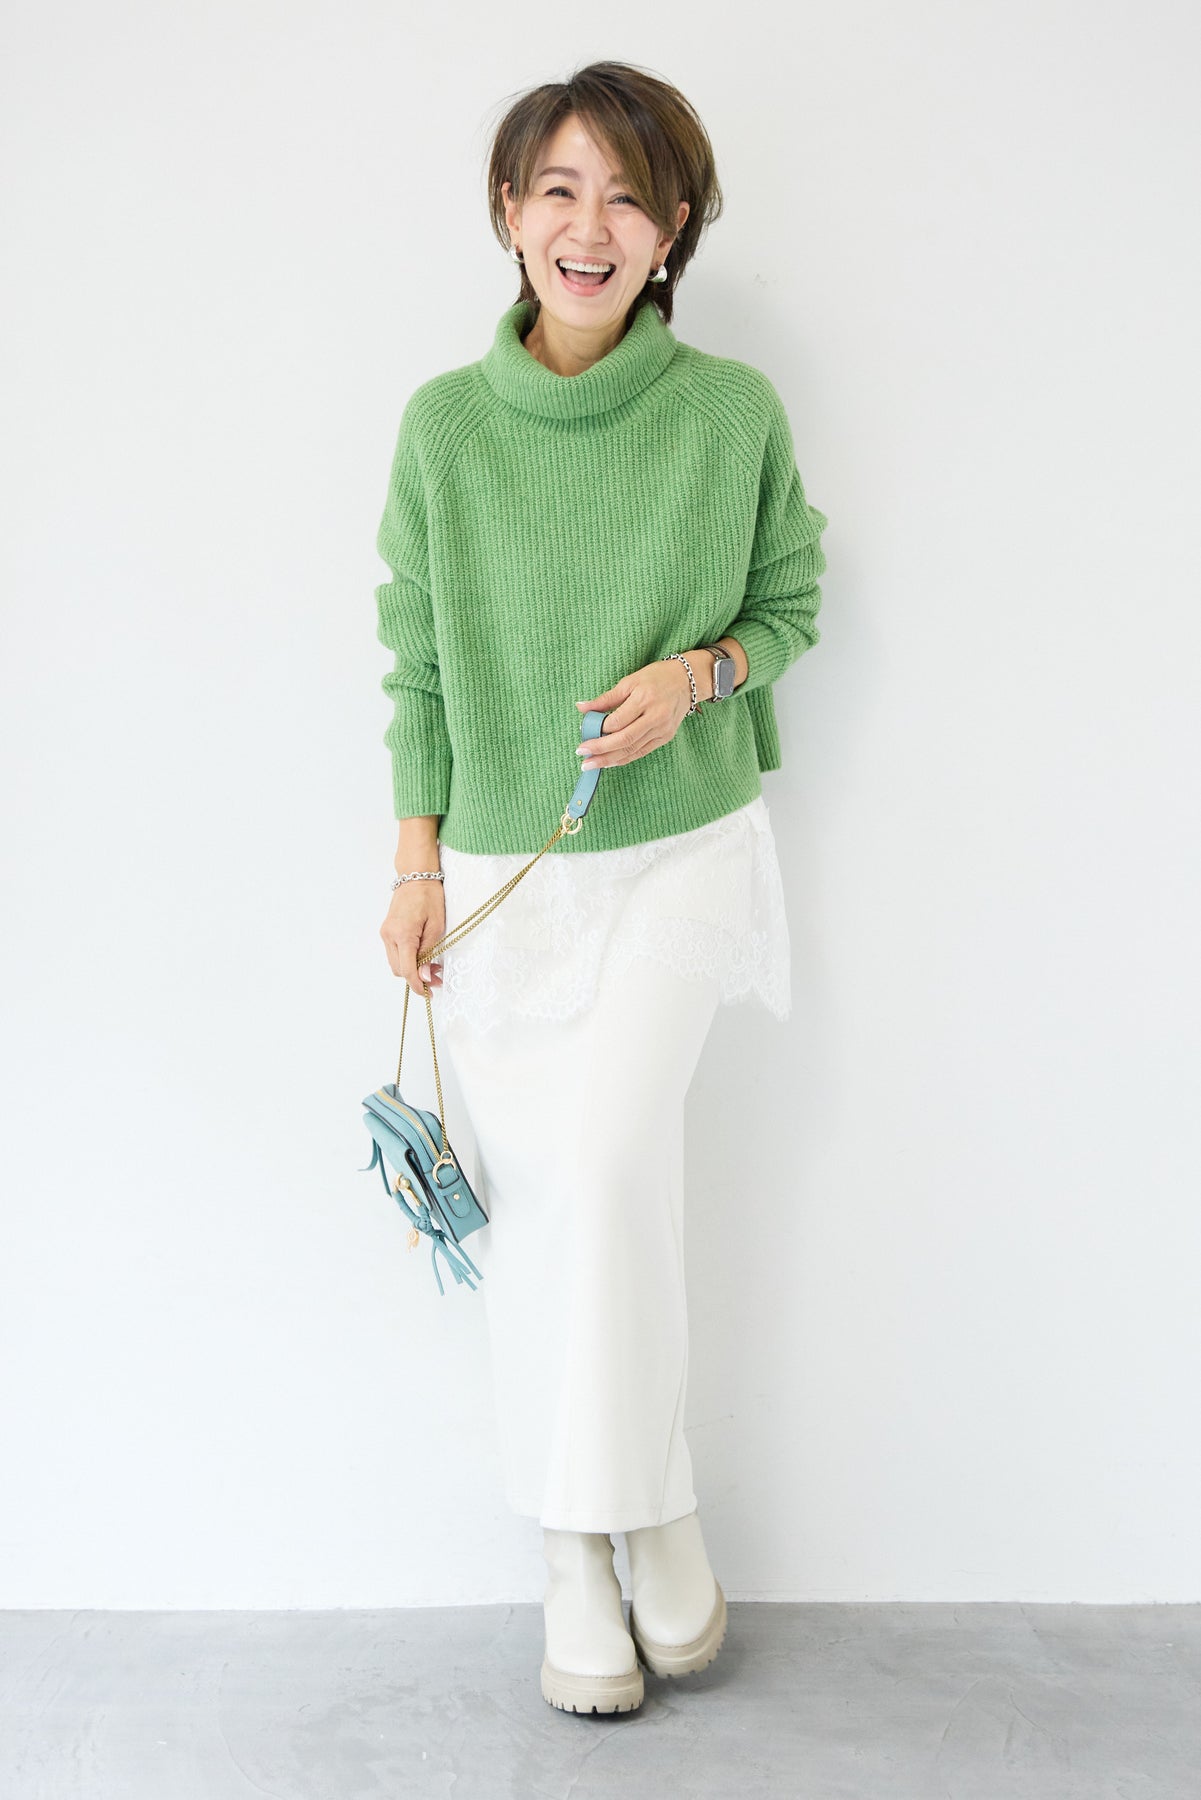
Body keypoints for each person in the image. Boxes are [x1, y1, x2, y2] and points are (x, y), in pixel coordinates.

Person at [374, 59, 828, 1715]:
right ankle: (611, 1533)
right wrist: (414, 864)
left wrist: (697, 678)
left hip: (681, 853)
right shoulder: (444, 430)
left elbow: (789, 604)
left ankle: (617, 1520)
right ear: (509, 214)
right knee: (556, 1203)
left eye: (628, 196)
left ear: (673, 228)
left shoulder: (728, 415)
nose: (590, 225)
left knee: (611, 1160)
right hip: (503, 873)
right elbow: (416, 666)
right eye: (558, 189)